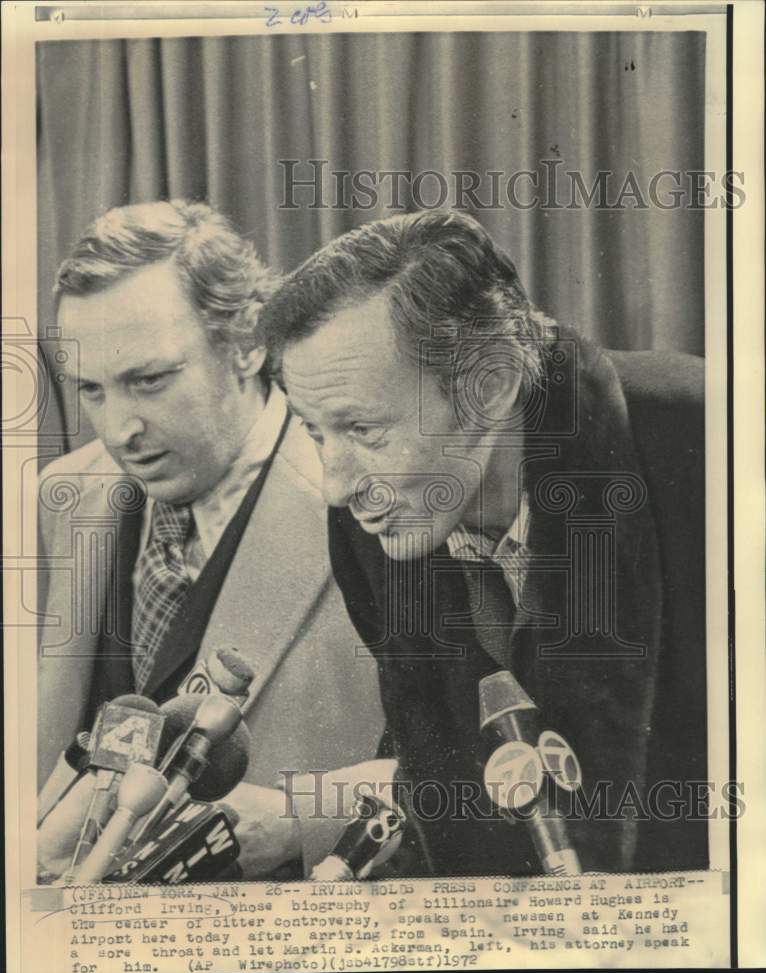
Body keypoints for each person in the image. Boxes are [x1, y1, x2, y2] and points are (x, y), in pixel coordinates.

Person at [256, 208, 708, 876]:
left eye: (364, 429)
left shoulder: (710, 444)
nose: (335, 485)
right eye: (317, 432)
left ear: (489, 385)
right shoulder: (369, 519)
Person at [37, 201, 388, 879]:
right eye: (93, 391)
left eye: (149, 381)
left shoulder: (372, 503)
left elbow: (470, 768)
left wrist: (296, 819)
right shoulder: (61, 496)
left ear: (249, 343)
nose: (119, 431)